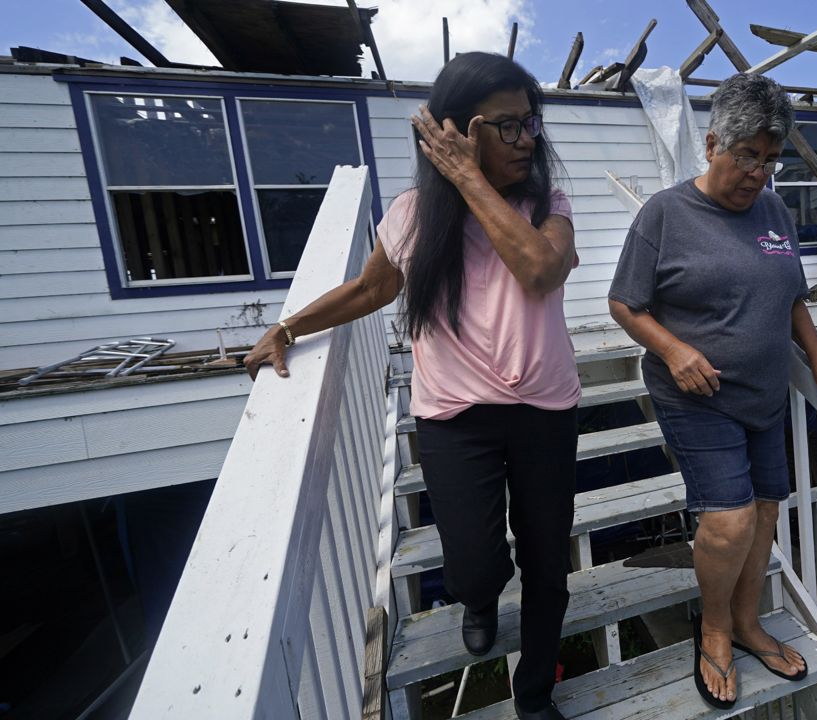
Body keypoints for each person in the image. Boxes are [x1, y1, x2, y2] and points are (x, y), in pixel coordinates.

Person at [243, 52, 579, 720]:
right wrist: (288, 325)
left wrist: (466, 179)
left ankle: (534, 694)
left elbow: (539, 271)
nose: (526, 140)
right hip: (455, 419)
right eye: (506, 126)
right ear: (453, 131)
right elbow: (373, 287)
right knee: (473, 568)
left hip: (546, 411)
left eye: (530, 124)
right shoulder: (410, 216)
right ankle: (480, 599)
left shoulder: (549, 206)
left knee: (547, 564)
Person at [607, 73, 817, 709]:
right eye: (746, 154)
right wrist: (672, 349)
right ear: (712, 143)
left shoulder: (775, 211)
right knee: (727, 520)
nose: (758, 171)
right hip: (695, 395)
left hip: (763, 395)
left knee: (766, 513)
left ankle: (749, 623)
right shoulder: (664, 214)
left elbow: (792, 297)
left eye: (770, 158)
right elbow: (624, 302)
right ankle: (716, 627)